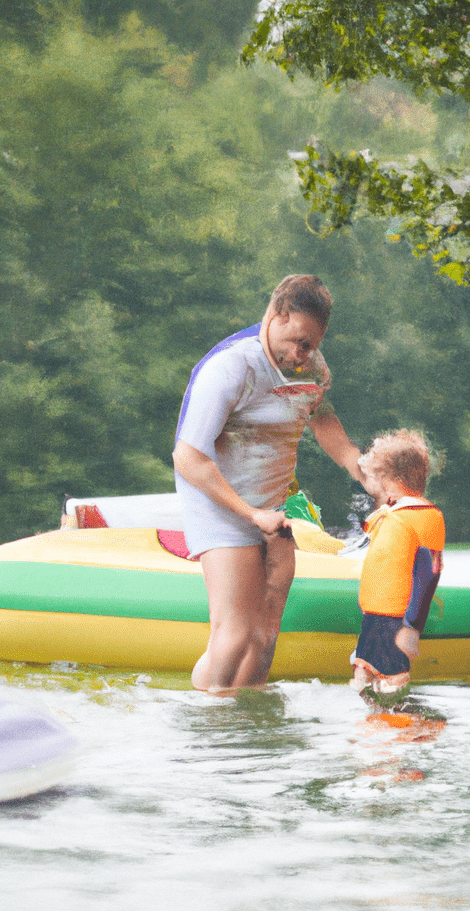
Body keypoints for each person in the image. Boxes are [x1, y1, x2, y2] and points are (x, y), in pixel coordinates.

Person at [172, 275, 364, 695]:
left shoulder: (310, 365)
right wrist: (251, 514)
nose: (305, 354)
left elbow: (321, 415)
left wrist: (354, 461)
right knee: (236, 631)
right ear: (277, 315)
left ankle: (249, 718)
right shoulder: (231, 367)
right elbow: (188, 457)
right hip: (221, 502)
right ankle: (210, 722)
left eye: (313, 344)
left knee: (266, 631)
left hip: (275, 505)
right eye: (299, 341)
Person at [350, 430, 445, 696]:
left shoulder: (425, 517)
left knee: (392, 688)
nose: (370, 487)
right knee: (363, 679)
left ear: (391, 481)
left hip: (395, 621)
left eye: (373, 480)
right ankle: (371, 732)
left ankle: (405, 730)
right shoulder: (393, 514)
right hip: (375, 617)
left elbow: (429, 572)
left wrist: (412, 627)